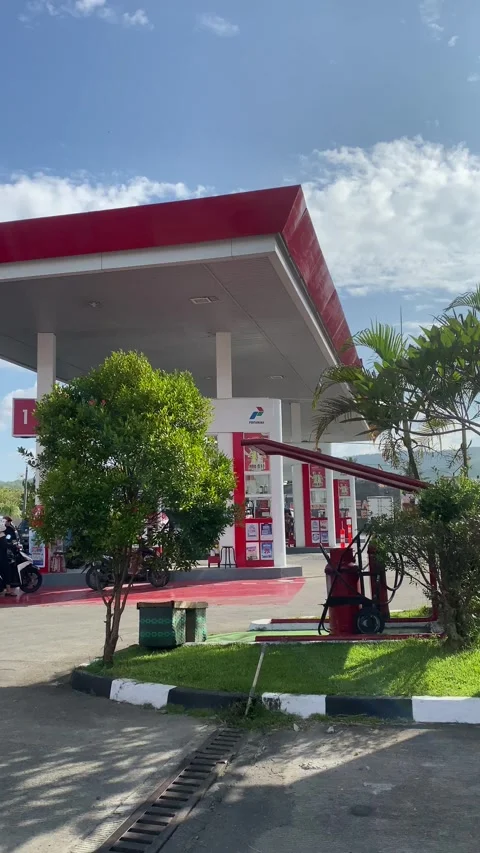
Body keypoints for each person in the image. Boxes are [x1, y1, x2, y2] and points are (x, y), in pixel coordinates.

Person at [0, 520, 16, 596]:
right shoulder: (2, 535)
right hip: (2, 557)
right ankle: (8, 591)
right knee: (7, 572)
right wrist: (14, 546)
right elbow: (5, 545)